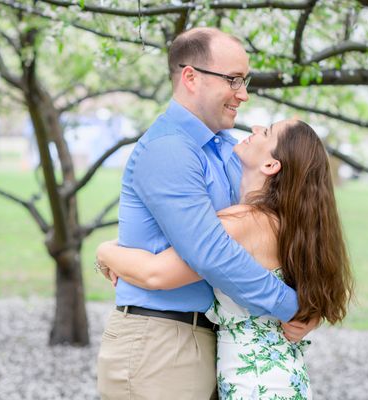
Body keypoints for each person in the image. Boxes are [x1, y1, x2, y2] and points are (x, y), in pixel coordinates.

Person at [96, 28, 316, 400]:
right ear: (191, 77)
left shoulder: (233, 152)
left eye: (244, 81)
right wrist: (292, 306)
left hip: (214, 342)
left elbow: (285, 225)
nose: (243, 94)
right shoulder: (169, 150)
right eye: (233, 80)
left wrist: (313, 303)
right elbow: (210, 252)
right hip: (160, 342)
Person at [97, 119, 354, 399]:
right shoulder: (290, 226)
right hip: (285, 377)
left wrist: (105, 252)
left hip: (254, 383)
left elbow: (155, 273)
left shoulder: (240, 223)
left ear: (271, 165)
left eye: (266, 132)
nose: (255, 128)